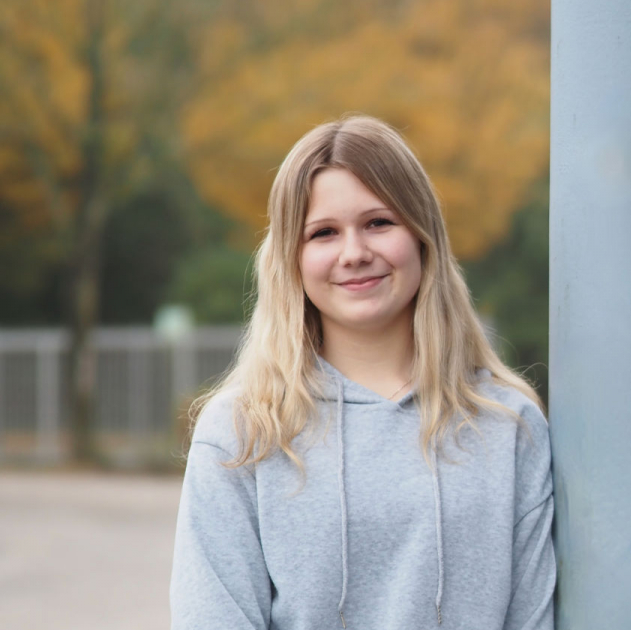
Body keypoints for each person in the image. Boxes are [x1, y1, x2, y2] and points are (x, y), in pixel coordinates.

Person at [170, 115, 554, 630]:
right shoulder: (243, 432)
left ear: (422, 236)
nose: (355, 253)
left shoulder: (510, 425)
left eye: (378, 223)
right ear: (292, 257)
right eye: (324, 233)